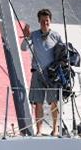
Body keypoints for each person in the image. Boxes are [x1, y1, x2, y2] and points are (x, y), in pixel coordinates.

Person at [20, 8, 65, 136]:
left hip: (52, 74)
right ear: (39, 21)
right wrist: (26, 36)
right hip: (37, 73)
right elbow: (23, 48)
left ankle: (55, 129)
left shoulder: (56, 36)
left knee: (54, 102)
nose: (45, 23)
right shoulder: (34, 35)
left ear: (50, 21)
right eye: (42, 21)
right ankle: (39, 130)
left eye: (47, 21)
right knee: (38, 102)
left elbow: (62, 52)